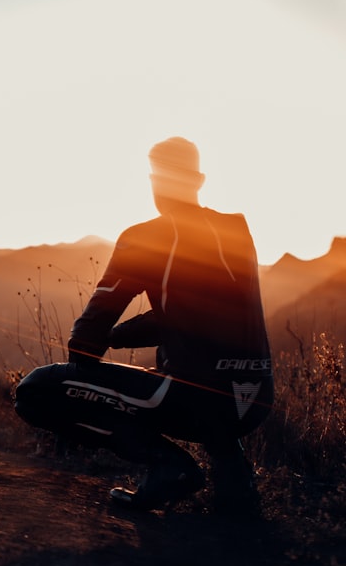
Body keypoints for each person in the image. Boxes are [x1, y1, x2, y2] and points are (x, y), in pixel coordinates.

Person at [14, 137, 273, 513]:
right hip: (255, 400)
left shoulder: (145, 237)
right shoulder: (237, 231)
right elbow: (196, 317)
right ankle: (235, 477)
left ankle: (169, 466)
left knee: (35, 392)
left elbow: (85, 340)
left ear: (154, 180)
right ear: (199, 180)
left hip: (194, 402)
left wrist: (100, 343)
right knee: (198, 376)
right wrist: (120, 339)